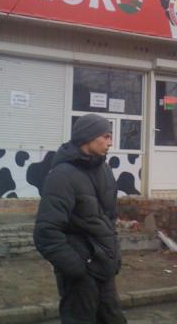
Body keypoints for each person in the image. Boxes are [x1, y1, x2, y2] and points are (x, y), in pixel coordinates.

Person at [33, 114, 125, 324]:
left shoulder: (104, 170)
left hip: (104, 268)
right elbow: (46, 233)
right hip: (80, 275)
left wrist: (114, 255)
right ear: (88, 137)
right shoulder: (62, 175)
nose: (110, 143)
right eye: (106, 136)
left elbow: (108, 220)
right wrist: (77, 268)